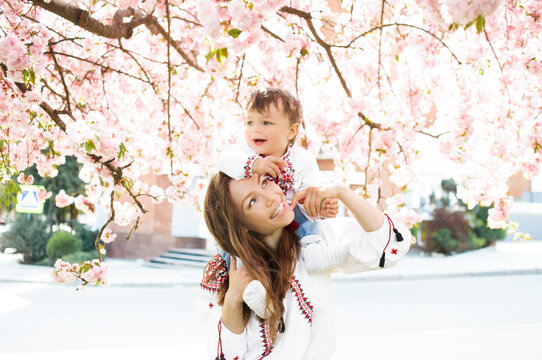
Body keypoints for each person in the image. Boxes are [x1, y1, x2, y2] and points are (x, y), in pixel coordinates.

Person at [198, 172, 411, 359]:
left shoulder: (314, 245)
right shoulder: (222, 272)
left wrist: (341, 192)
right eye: (252, 202)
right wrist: (233, 299)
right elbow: (225, 355)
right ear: (240, 226)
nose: (272, 197)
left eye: (264, 183)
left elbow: (390, 246)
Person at [218, 88, 345, 286]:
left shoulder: (302, 160)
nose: (255, 129)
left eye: (266, 122)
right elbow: (224, 161)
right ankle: (234, 276)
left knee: (307, 219)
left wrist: (319, 205)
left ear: (291, 131)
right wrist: (253, 165)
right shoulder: (244, 151)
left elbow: (310, 192)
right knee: (231, 231)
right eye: (250, 122)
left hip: (290, 213)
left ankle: (314, 251)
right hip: (255, 218)